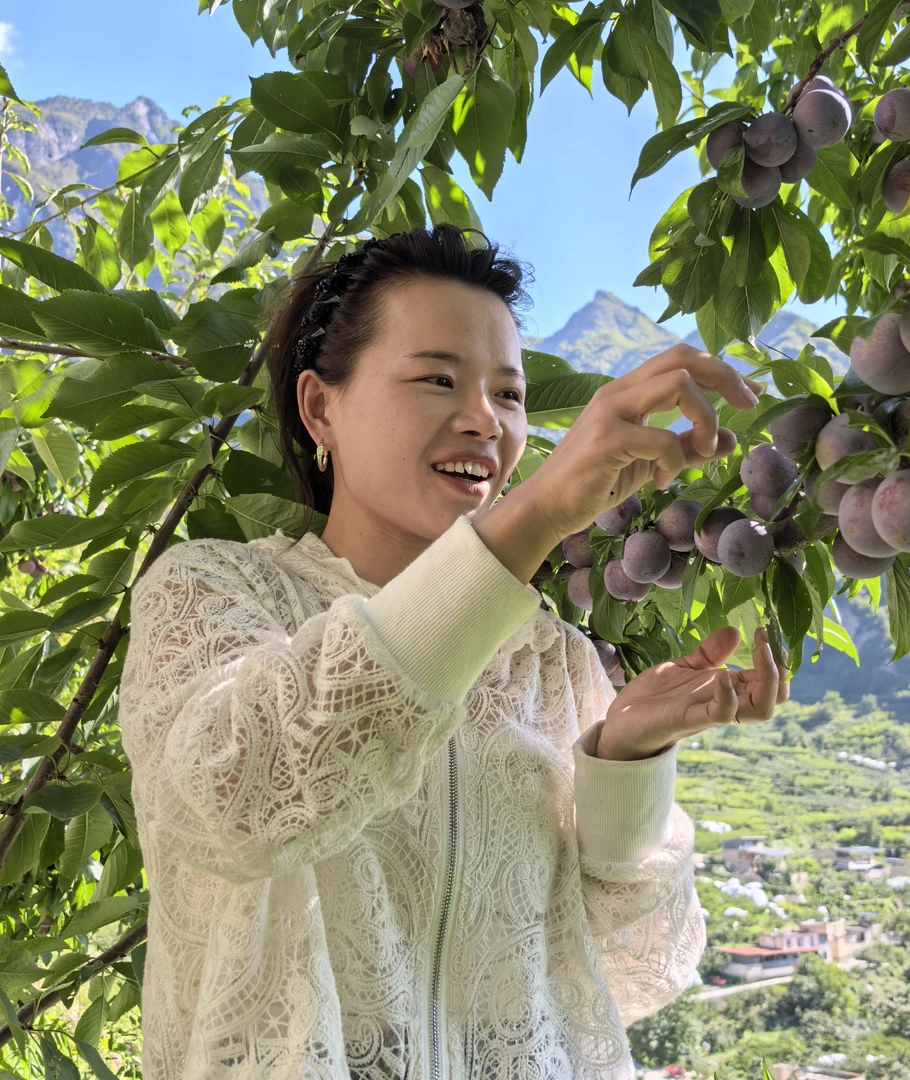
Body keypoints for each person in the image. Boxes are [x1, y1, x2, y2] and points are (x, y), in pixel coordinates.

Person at [117, 223, 789, 1080]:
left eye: (509, 396)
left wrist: (626, 760)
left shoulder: (553, 662)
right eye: (438, 378)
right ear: (320, 407)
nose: (485, 421)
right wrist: (537, 513)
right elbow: (237, 799)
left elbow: (628, 965)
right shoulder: (212, 593)